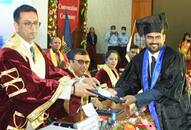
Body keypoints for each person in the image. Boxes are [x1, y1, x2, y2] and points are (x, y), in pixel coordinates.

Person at [0, 4, 98, 130]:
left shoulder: (35, 48)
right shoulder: (8, 53)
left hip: (37, 117)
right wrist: (71, 89)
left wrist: (80, 80)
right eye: (27, 23)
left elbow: (53, 72)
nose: (33, 28)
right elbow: (28, 87)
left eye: (36, 23)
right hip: (13, 118)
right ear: (16, 25)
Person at [115, 13, 191, 130]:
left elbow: (166, 88)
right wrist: (115, 92)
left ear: (164, 37)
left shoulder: (174, 58)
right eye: (150, 37)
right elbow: (130, 83)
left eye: (157, 37)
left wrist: (136, 98)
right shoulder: (139, 59)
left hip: (175, 116)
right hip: (152, 114)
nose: (154, 41)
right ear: (144, 38)